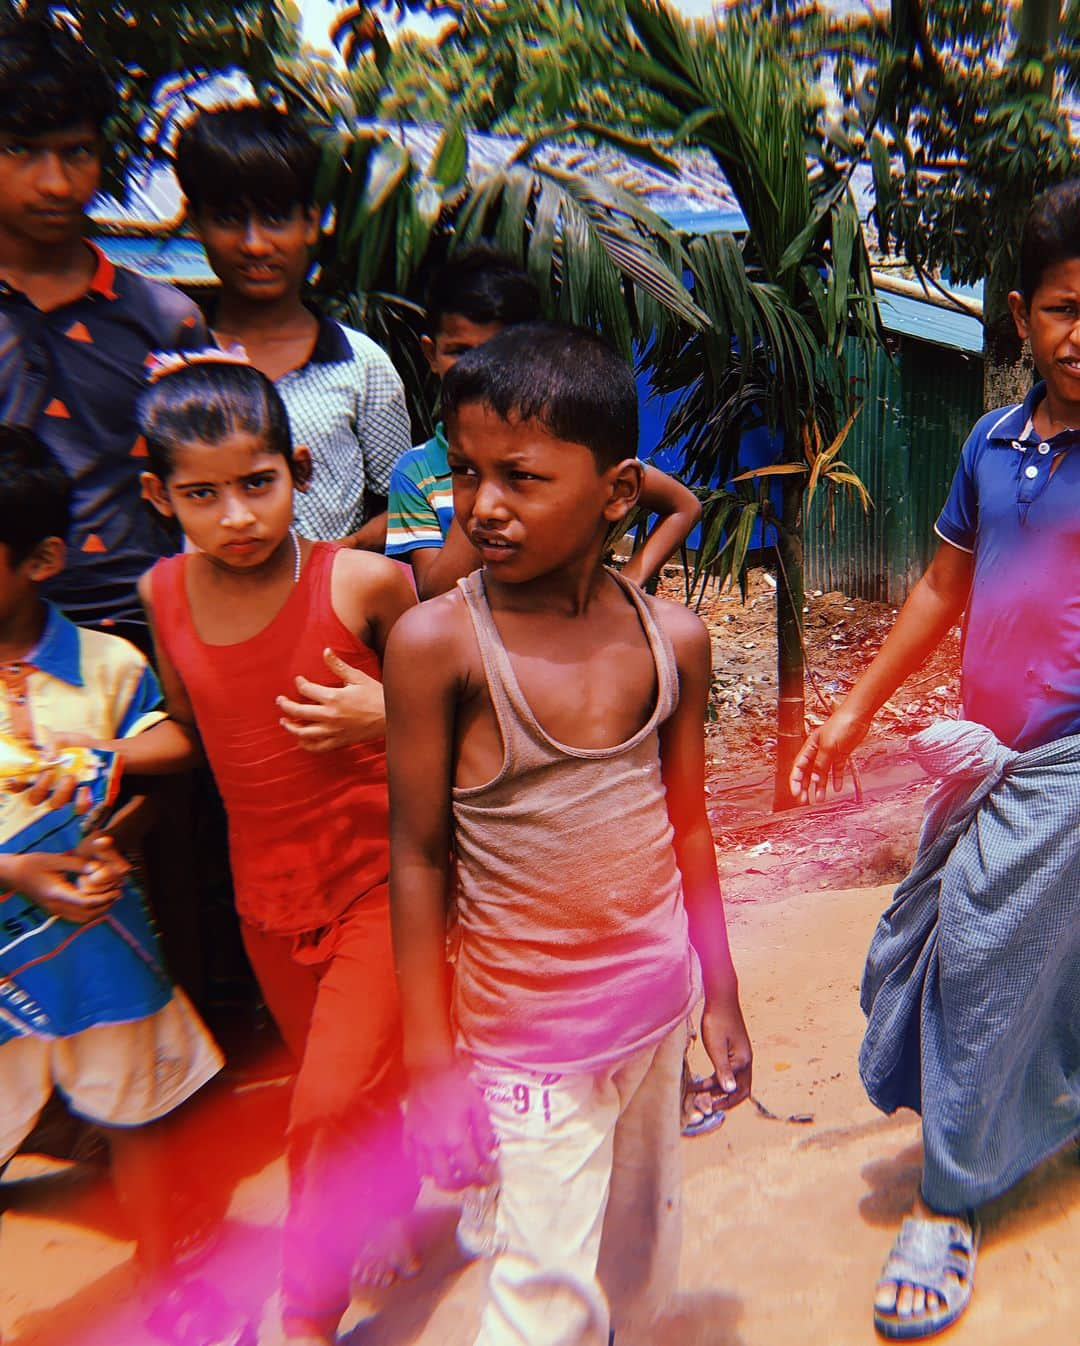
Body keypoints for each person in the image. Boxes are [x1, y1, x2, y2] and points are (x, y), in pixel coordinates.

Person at [384, 322, 752, 1346]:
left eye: (522, 476)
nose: (483, 504)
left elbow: (688, 825)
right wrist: (429, 1062)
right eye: (466, 470)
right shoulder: (440, 644)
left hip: (653, 1012)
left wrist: (718, 992)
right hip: (528, 1048)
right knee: (539, 1301)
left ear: (618, 491)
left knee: (636, 1262)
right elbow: (415, 857)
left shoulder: (671, 640)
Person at [790, 180, 1080, 1341]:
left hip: (1068, 760)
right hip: (984, 758)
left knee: (979, 956)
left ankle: (949, 1196)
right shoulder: (988, 440)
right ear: (1020, 313)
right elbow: (939, 588)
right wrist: (856, 708)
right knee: (994, 948)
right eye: (1065, 306)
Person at [126, 352, 416, 1346]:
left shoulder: (365, 583)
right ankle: (379, 1199)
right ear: (159, 495)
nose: (238, 514)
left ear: (298, 467)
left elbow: (467, 710)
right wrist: (92, 769)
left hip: (383, 884)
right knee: (354, 1090)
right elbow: (189, 726)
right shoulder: (163, 594)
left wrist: (390, 709)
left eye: (258, 483)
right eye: (203, 494)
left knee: (320, 1104)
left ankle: (303, 1317)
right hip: (268, 901)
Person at [0, 428, 228, 1342]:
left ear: (43, 559)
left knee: (132, 1114)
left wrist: (112, 793)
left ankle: (165, 1275)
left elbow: (177, 747)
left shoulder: (105, 664)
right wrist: (14, 870)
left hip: (100, 948)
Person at [0, 15, 207, 653]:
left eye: (77, 151)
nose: (55, 182)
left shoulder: (167, 320)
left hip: (141, 638)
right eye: (20, 150)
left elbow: (204, 489)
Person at [385, 245, 702, 599]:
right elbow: (434, 594)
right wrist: (476, 484)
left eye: (521, 475)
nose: (481, 369)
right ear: (431, 353)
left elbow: (683, 505)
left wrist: (624, 590)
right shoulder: (417, 472)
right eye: (461, 351)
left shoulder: (565, 451)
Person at [175, 103, 411, 552]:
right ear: (195, 223)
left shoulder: (362, 364)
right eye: (228, 219)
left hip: (329, 610)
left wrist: (329, 559)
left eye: (275, 217)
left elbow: (403, 506)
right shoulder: (176, 358)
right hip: (204, 611)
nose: (255, 243)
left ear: (312, 221)